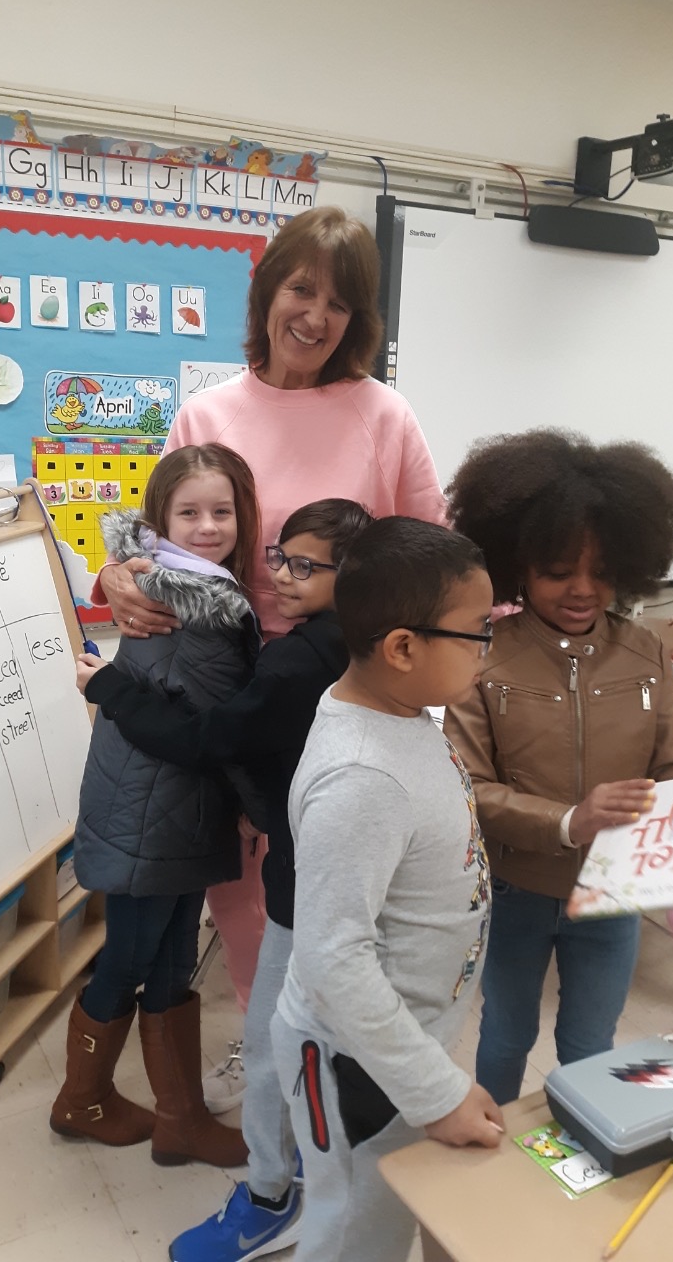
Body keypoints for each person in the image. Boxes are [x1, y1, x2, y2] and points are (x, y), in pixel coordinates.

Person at [91, 207, 446, 1108]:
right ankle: (265, 1052)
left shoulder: (384, 413)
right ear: (269, 292)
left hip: (349, 686)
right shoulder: (209, 409)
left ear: (358, 317)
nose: (315, 316)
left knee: (335, 882)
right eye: (300, 290)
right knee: (241, 881)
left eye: (339, 301)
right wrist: (117, 572)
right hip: (225, 682)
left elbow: (429, 553)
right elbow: (150, 535)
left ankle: (328, 1052)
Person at [77, 498, 374, 1262]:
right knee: (310, 1033)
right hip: (320, 863)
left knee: (282, 1038)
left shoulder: (296, 656)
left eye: (304, 566)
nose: (281, 575)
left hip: (303, 868)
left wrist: (107, 687)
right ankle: (288, 1171)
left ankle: (279, 1191)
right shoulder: (368, 643)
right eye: (280, 557)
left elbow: (212, 736)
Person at [443, 429, 673, 1107]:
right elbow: (468, 786)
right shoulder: (484, 659)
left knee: (592, 1041)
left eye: (602, 570)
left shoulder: (645, 652)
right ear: (519, 567)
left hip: (613, 892)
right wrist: (566, 820)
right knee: (504, 1035)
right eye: (560, 570)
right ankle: (488, 1155)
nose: (583, 590)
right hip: (518, 888)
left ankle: (580, 1142)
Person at [271, 516, 503, 1262]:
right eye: (478, 635)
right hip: (353, 1059)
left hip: (402, 1039)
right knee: (354, 1231)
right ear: (403, 647)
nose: (488, 654)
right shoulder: (362, 778)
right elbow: (335, 959)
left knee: (389, 1209)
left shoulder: (403, 712)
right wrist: (436, 1092)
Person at [51, 444, 261, 1169]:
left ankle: (180, 1119)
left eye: (222, 512)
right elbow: (210, 727)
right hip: (156, 805)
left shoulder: (178, 581)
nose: (207, 526)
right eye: (189, 513)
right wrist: (253, 796)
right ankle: (81, 1099)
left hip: (169, 803)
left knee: (171, 957)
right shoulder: (193, 601)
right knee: (132, 957)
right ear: (161, 519)